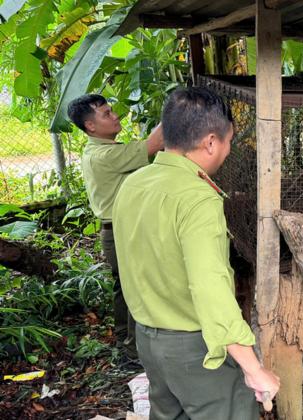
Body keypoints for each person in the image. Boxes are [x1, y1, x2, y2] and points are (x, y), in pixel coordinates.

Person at [112, 87, 280, 419]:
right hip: (194, 348)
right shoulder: (198, 198)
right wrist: (251, 366)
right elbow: (209, 286)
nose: (229, 150)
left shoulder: (133, 183)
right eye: (229, 141)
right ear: (211, 142)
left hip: (148, 339)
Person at [68, 94, 164, 358]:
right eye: (107, 114)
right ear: (91, 126)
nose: (115, 116)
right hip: (122, 232)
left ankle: (125, 337)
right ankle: (135, 351)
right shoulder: (107, 155)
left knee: (125, 288)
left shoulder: (97, 150)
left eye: (112, 111)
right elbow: (155, 143)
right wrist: (176, 106)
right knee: (137, 289)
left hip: (115, 231)